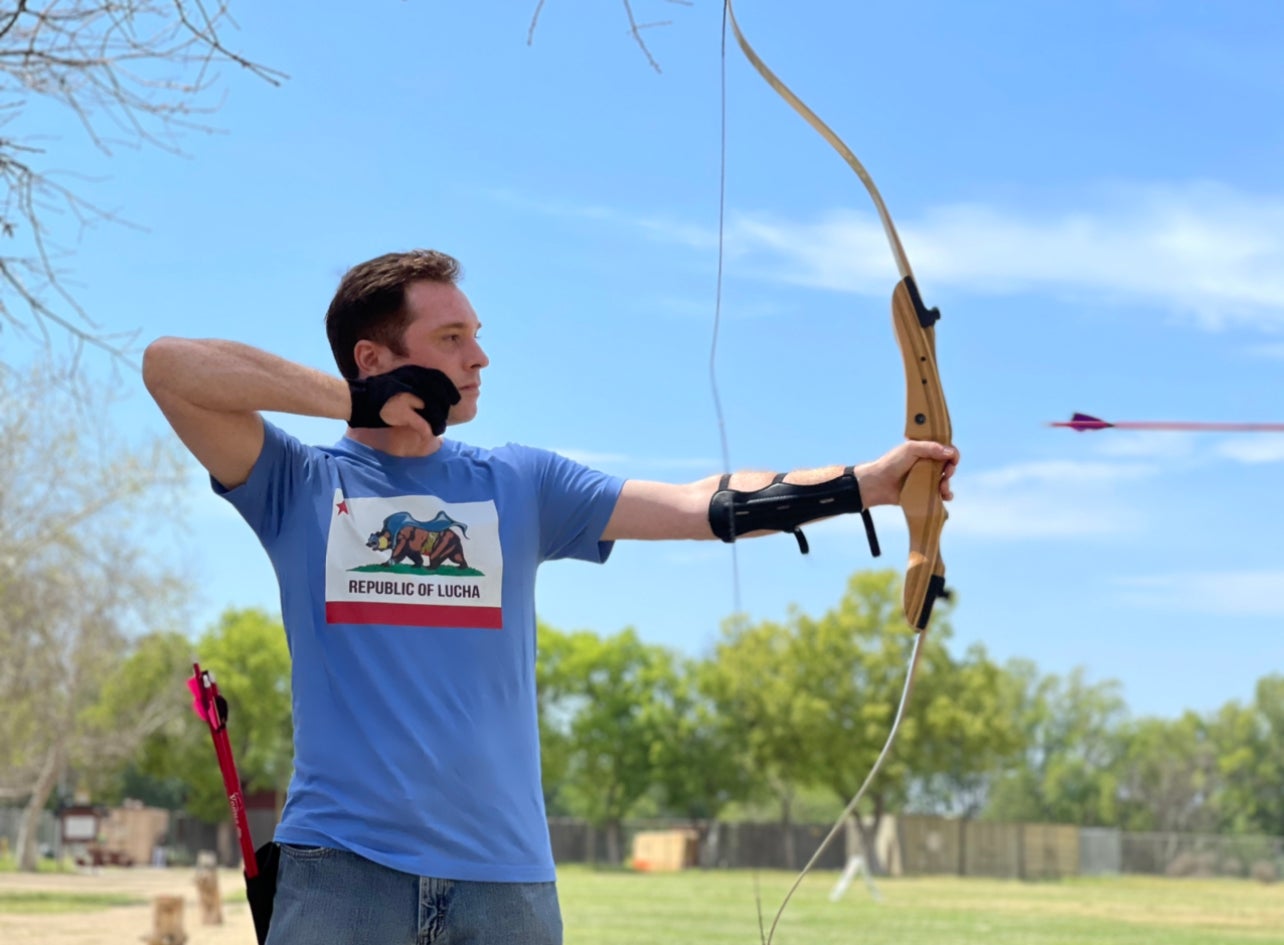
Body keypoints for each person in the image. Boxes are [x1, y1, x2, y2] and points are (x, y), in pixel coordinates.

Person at [143, 249, 958, 945]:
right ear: (373, 357)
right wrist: (354, 402)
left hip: (505, 883)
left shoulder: (519, 481)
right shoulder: (298, 484)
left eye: (476, 335)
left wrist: (867, 484)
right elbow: (169, 365)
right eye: (451, 338)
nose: (479, 358)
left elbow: (695, 504)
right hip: (343, 874)